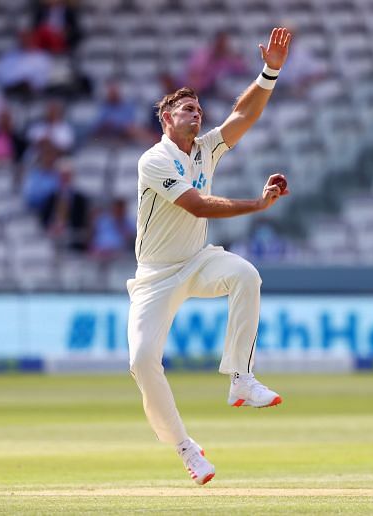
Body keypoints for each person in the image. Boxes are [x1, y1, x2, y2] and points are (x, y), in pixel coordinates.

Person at [127, 27, 292, 486]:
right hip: (157, 275)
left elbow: (243, 114)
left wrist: (270, 71)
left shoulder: (204, 149)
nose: (195, 114)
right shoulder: (154, 160)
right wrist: (256, 205)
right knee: (142, 362)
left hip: (198, 260)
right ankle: (186, 448)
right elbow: (197, 205)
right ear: (166, 118)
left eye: (198, 109)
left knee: (246, 275)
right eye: (186, 109)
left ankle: (241, 377)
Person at [40, 159, 89, 251]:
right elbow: (44, 220)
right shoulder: (51, 198)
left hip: (73, 239)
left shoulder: (80, 200)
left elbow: (82, 223)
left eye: (67, 175)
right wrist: (52, 228)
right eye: (62, 176)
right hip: (52, 238)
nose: (65, 178)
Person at [185, 31, 249, 96]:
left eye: (225, 44)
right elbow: (194, 75)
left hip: (213, 91)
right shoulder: (203, 55)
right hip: (198, 90)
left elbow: (243, 68)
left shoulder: (226, 58)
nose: (222, 46)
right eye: (221, 43)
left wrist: (231, 54)